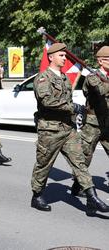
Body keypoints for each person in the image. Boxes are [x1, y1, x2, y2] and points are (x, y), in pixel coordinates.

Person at [30, 42, 109, 215]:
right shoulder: (43, 78)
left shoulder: (64, 77)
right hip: (50, 130)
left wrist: (73, 112)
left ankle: (91, 196)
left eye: (65, 55)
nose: (65, 58)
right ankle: (37, 195)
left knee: (79, 162)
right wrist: (73, 108)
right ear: (51, 57)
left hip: (68, 129)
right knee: (44, 164)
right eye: (62, 55)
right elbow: (47, 101)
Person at [71, 46, 109, 196]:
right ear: (100, 61)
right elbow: (101, 90)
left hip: (107, 123)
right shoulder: (92, 77)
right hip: (93, 124)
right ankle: (77, 184)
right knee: (85, 156)